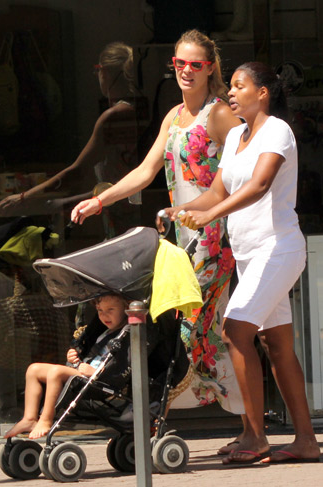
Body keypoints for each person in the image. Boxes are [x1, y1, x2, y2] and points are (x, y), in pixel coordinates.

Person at [70, 30, 247, 449]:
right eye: (179, 63)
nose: (186, 71)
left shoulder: (219, 115)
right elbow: (147, 171)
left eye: (196, 65)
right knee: (205, 333)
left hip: (213, 238)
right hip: (181, 242)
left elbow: (242, 173)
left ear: (210, 69)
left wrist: (200, 210)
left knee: (184, 328)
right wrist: (101, 201)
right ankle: (246, 426)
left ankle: (156, 421)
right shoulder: (173, 116)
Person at [164, 61, 320, 464]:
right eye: (231, 87)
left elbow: (260, 184)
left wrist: (211, 216)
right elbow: (216, 192)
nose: (231, 93)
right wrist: (181, 209)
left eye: (239, 86)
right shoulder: (234, 137)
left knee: (235, 330)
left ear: (263, 92)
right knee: (277, 345)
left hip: (278, 249)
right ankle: (305, 440)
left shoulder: (277, 131)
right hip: (251, 256)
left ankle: (255, 435)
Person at [0, 42, 142, 238]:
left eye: (97, 70)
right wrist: (64, 203)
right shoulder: (138, 109)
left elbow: (77, 171)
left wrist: (24, 198)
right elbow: (112, 185)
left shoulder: (113, 117)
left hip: (127, 221)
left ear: (105, 72)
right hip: (123, 216)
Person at [3, 293, 130, 439]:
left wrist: (95, 372)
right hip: (83, 372)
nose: (104, 315)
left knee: (56, 372)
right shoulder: (105, 332)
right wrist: (75, 357)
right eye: (100, 310)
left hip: (100, 381)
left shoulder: (128, 335)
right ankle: (29, 419)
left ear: (126, 308)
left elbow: (120, 368)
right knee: (33, 370)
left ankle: (46, 419)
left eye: (110, 310)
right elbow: (89, 354)